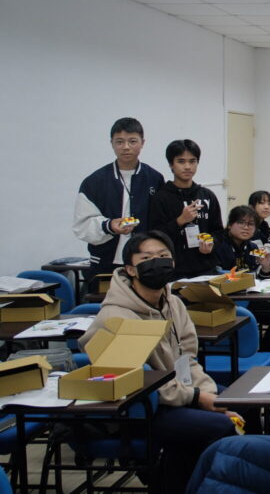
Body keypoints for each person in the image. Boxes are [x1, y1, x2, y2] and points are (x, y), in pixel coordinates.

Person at [80, 231, 239, 493]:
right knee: (220, 425)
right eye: (147, 258)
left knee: (242, 404)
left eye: (163, 256)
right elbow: (137, 381)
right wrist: (198, 398)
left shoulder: (173, 303)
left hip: (177, 393)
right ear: (130, 269)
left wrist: (206, 393)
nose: (157, 262)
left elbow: (188, 358)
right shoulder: (116, 318)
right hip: (140, 409)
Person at [74, 117, 165, 283]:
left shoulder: (155, 179)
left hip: (145, 263)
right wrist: (109, 226)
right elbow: (81, 225)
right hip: (105, 263)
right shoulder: (94, 182)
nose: (126, 147)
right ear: (112, 143)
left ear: (142, 143)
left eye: (132, 141)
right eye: (120, 142)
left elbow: (160, 221)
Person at [149, 139, 223, 280]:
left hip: (206, 268)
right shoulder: (161, 197)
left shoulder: (207, 195)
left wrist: (211, 243)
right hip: (174, 271)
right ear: (171, 164)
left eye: (192, 161)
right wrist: (180, 221)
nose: (188, 167)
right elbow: (155, 235)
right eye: (181, 161)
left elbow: (219, 231)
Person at [211, 206, 269, 273]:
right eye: (241, 222)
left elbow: (254, 275)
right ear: (230, 225)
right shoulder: (217, 244)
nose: (246, 227)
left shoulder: (252, 247)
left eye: (251, 224)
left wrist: (265, 268)